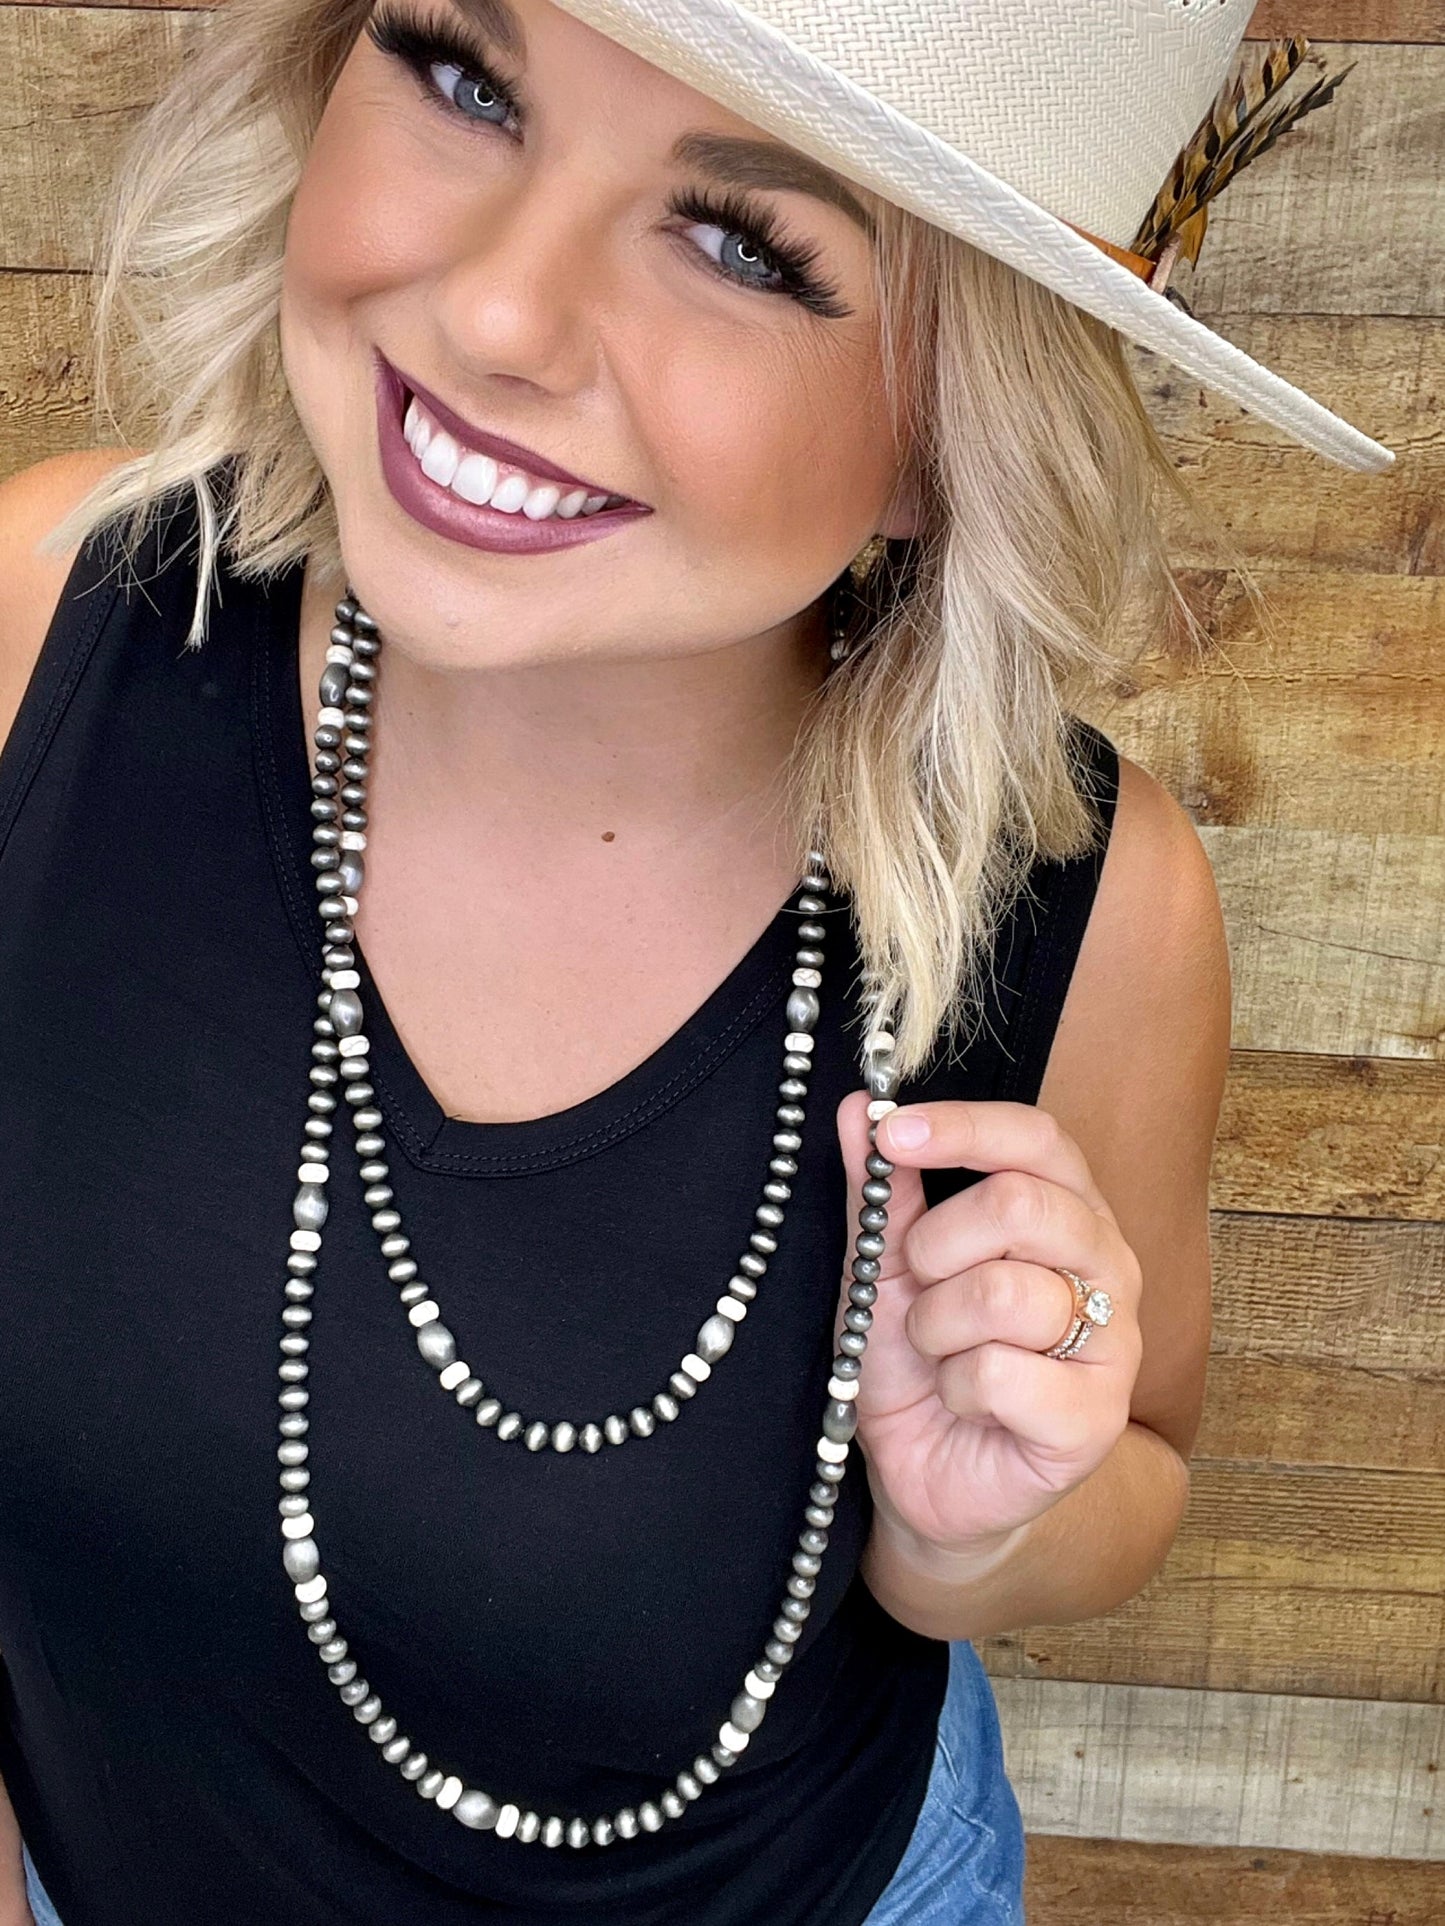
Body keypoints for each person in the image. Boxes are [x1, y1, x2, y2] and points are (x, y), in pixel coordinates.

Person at [0, 1, 1392, 1922]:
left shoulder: (1086, 906)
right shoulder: (42, 621)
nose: (498, 310)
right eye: (465, 77)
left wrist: (978, 1521)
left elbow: (1128, 1461)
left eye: (740, 241)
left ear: (947, 428)